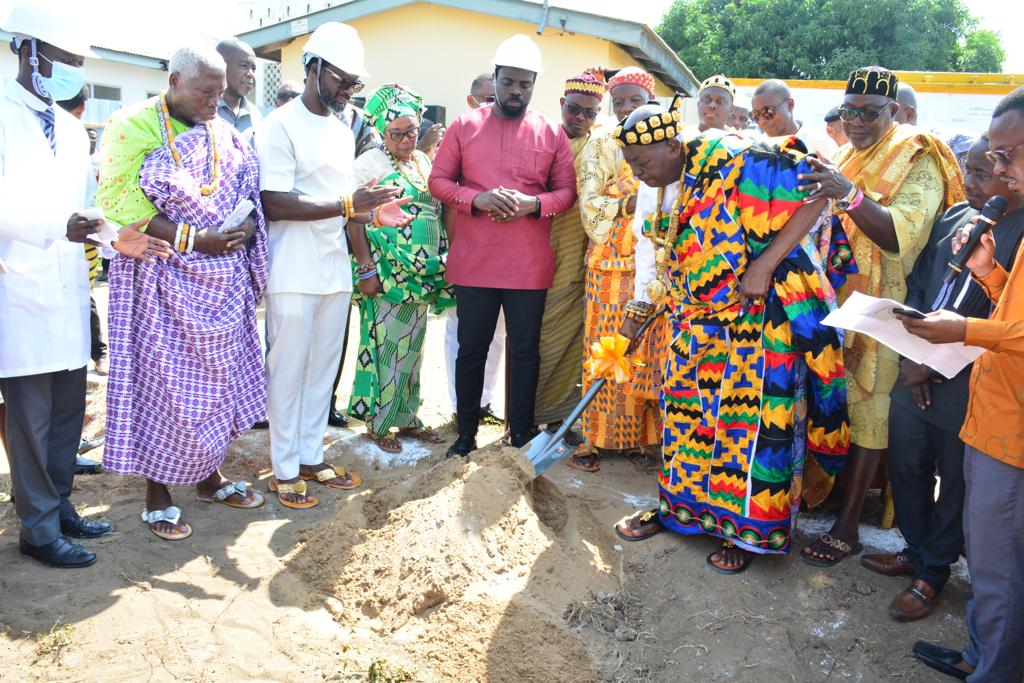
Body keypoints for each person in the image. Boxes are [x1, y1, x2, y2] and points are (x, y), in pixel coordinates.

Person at [611, 100, 849, 575]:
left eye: (643, 162)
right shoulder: (657, 188)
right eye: (631, 165)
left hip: (757, 322)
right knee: (685, 417)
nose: (638, 173)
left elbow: (819, 192)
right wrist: (639, 311)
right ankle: (681, 512)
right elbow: (659, 257)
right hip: (692, 322)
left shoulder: (736, 156)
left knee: (749, 432)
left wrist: (764, 264)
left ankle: (744, 531)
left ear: (674, 146)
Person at [795, 66, 965, 566]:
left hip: (894, 304)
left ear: (894, 111)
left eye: (870, 113)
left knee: (872, 411)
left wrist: (846, 194)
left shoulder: (917, 153)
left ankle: (848, 527)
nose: (857, 121)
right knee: (839, 404)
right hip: (841, 298)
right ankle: (834, 499)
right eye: (849, 111)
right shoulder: (847, 150)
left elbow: (899, 236)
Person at [97, 43, 267, 541]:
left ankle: (210, 476)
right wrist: (197, 240)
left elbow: (245, 188)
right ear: (174, 82)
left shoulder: (222, 131)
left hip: (219, 284)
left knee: (217, 382)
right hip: (159, 277)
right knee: (164, 383)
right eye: (204, 91)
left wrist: (247, 227)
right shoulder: (132, 126)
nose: (215, 102)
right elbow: (118, 199)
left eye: (220, 92)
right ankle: (158, 494)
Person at [862, 135, 1024, 623]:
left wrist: (937, 359)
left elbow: (1000, 315)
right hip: (915, 369)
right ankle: (914, 549)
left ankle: (933, 573)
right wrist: (913, 352)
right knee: (908, 465)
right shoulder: (955, 218)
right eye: (968, 171)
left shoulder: (1019, 232)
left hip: (969, 376)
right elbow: (923, 282)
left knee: (953, 479)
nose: (971, 182)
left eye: (983, 171)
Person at [256, 23, 409, 508]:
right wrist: (348, 203)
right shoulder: (277, 126)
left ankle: (310, 457)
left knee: (323, 369)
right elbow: (275, 202)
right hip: (292, 268)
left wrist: (369, 213)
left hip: (332, 268)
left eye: (354, 84)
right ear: (314, 68)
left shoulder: (344, 131)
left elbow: (345, 205)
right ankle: (283, 469)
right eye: (342, 80)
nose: (347, 91)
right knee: (288, 370)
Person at [901, 85, 1024, 683]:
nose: (997, 171)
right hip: (994, 417)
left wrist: (962, 327)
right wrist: (990, 273)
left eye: (1008, 156)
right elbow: (1013, 312)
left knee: (1002, 569)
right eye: (992, 158)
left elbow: (1010, 332)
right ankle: (982, 655)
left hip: (1012, 428)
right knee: (993, 564)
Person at [0, 0, 122, 567]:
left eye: (78, 61)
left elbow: (88, 209)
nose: (72, 70)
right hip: (18, 289)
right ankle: (38, 529)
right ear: (27, 52)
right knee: (31, 418)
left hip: (70, 288)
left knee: (69, 409)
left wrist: (118, 235)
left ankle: (61, 506)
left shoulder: (74, 132)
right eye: (61, 59)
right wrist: (57, 227)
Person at [429, 34, 577, 456]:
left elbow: (566, 192)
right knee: (471, 349)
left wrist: (533, 204)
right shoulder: (463, 125)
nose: (516, 91)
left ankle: (521, 433)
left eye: (525, 84)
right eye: (509, 82)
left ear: (534, 85)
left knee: (526, 351)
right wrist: (475, 199)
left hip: (528, 264)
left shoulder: (550, 131)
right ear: (494, 79)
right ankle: (465, 434)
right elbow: (438, 182)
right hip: (474, 260)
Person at [346, 83, 454, 453]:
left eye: (413, 130)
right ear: (381, 130)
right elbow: (353, 218)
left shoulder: (422, 161)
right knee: (385, 344)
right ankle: (379, 423)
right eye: (398, 133)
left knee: (413, 347)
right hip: (387, 271)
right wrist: (365, 269)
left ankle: (407, 419)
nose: (408, 139)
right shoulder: (368, 165)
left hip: (421, 272)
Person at [574, 66, 668, 472]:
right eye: (620, 103)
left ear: (650, 103)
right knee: (605, 350)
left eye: (635, 101)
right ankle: (593, 441)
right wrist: (630, 203)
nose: (627, 108)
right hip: (609, 266)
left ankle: (639, 440)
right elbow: (589, 205)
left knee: (644, 355)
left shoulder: (666, 143)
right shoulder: (600, 145)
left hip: (653, 271)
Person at [533, 70, 605, 439]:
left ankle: (558, 416)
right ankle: (526, 413)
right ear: (562, 105)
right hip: (536, 251)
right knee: (537, 337)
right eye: (574, 109)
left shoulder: (602, 148)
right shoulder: (541, 140)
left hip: (579, 254)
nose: (580, 118)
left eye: (589, 113)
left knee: (569, 339)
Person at [442, 72, 506, 425]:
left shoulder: (510, 136)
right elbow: (448, 202)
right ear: (470, 101)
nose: (490, 105)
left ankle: (484, 402)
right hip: (466, 257)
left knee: (496, 335)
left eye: (493, 99)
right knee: (462, 334)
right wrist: (455, 255)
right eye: (484, 99)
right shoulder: (460, 136)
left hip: (500, 260)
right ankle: (460, 405)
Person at [751, 79, 838, 158]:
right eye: (756, 114)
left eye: (768, 111)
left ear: (789, 105)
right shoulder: (756, 148)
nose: (762, 120)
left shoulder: (821, 145)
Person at [214, 38, 260, 140]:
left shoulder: (256, 115)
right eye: (244, 66)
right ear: (221, 66)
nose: (251, 74)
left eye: (253, 68)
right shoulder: (203, 112)